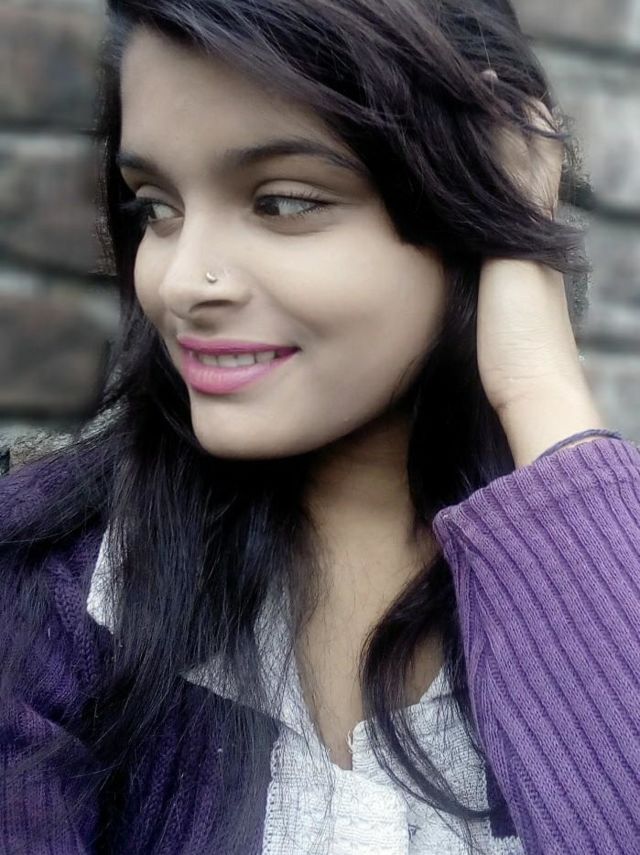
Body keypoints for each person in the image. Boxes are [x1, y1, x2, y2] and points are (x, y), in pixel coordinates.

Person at [1, 0, 639, 853]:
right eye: (155, 207)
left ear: (464, 209)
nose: (181, 281)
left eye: (283, 202)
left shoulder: (608, 561)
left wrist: (538, 383)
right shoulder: (48, 589)